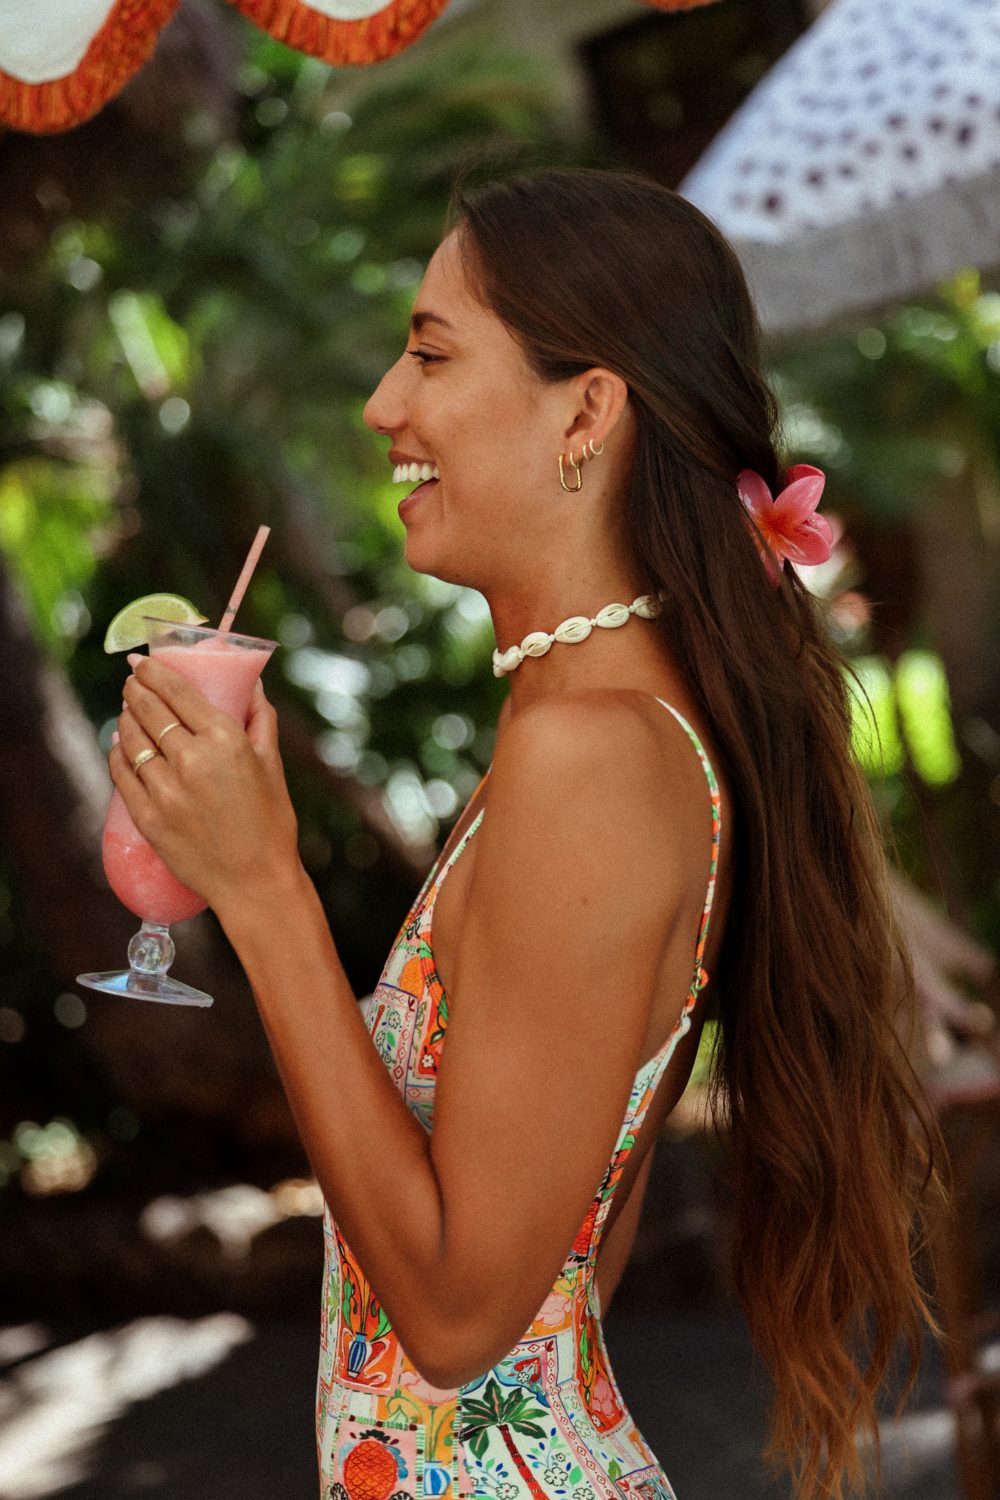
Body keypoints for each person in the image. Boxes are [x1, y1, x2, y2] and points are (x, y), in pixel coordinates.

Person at [112, 170, 940, 1500]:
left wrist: (263, 890)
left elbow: (458, 1322)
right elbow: (563, 1266)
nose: (384, 403)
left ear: (586, 412)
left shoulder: (592, 752)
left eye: (433, 353)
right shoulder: (599, 727)